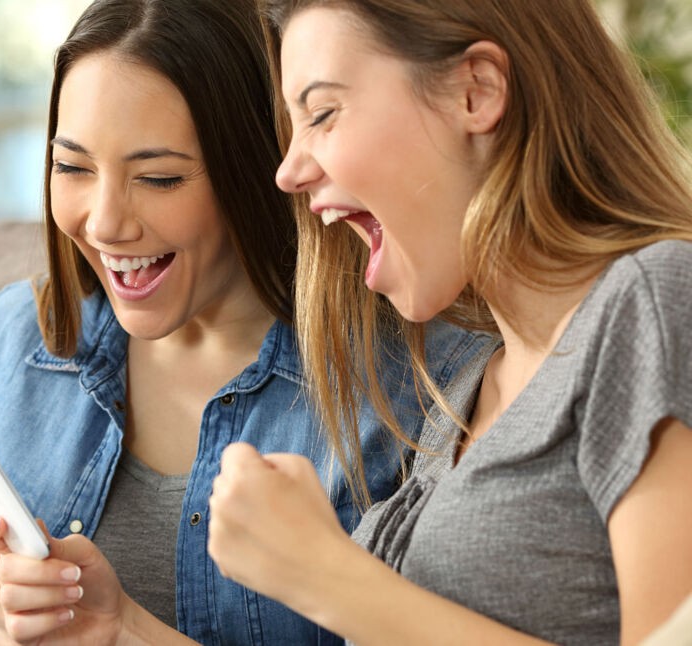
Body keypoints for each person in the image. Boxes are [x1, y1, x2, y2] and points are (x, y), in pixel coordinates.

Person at [0, 0, 483, 644]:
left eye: (159, 177)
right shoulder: (13, 343)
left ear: (262, 170)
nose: (104, 223)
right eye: (72, 168)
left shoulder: (405, 389)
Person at [207, 1, 692, 644]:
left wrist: (325, 576)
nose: (288, 170)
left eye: (322, 113)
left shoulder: (652, 300)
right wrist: (118, 627)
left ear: (476, 91)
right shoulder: (468, 389)